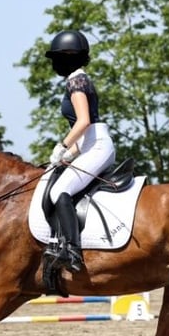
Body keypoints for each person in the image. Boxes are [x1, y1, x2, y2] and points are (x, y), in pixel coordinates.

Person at [44, 30, 116, 272]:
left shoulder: (76, 81)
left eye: (57, 57)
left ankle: (72, 251)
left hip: (96, 145)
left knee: (60, 190)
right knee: (60, 184)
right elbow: (86, 131)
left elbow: (83, 121)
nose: (54, 63)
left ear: (68, 57)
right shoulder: (80, 79)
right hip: (90, 144)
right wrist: (68, 155)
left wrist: (62, 145)